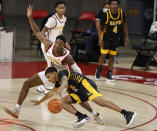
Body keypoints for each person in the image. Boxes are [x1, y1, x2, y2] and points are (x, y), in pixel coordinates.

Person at [4, 5, 104, 124]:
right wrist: (30, 17)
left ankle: (94, 114)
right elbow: (36, 31)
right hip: (50, 74)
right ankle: (16, 109)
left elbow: (76, 68)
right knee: (26, 83)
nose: (57, 45)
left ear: (63, 45)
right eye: (56, 43)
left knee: (77, 97)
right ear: (54, 42)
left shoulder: (67, 56)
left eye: (60, 44)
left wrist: (83, 80)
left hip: (63, 77)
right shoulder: (48, 44)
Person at [30, 66, 137, 128]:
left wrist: (60, 89)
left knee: (100, 102)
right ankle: (81, 116)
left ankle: (127, 113)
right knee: (63, 101)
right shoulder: (57, 82)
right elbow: (50, 93)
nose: (49, 80)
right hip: (79, 89)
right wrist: (40, 102)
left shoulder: (61, 73)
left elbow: (65, 81)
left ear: (54, 73)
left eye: (49, 77)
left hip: (85, 84)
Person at [37, 0, 71, 93]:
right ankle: (45, 88)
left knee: (56, 65)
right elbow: (42, 32)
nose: (62, 10)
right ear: (56, 9)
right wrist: (45, 44)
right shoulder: (52, 20)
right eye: (60, 8)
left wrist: (66, 42)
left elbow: (61, 32)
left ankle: (49, 84)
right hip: (48, 45)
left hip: (57, 46)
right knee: (50, 65)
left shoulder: (64, 18)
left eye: (63, 8)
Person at [95, 0, 129, 81]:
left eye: (116, 4)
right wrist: (100, 39)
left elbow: (124, 25)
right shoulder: (106, 14)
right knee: (103, 54)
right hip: (106, 37)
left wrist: (126, 37)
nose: (114, 5)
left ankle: (109, 73)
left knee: (112, 56)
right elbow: (100, 28)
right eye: (112, 4)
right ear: (110, 5)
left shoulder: (122, 13)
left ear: (118, 5)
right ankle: (99, 70)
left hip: (116, 38)